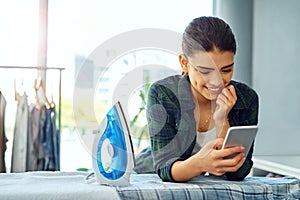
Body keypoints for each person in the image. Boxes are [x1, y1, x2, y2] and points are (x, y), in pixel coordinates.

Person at [134, 16, 259, 182]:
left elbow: (238, 172)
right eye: (205, 71)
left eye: (226, 70)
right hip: (148, 177)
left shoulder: (246, 99)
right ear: (184, 63)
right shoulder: (164, 94)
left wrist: (222, 120)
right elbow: (164, 168)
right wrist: (201, 163)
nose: (217, 81)